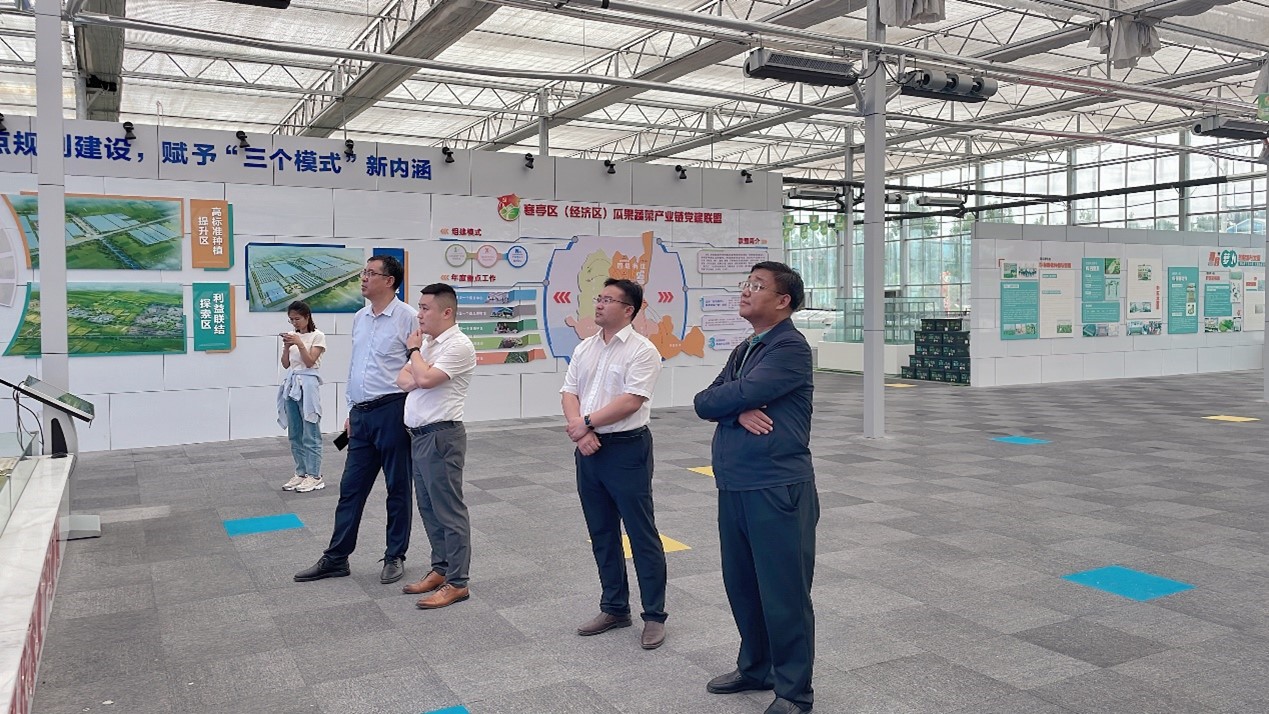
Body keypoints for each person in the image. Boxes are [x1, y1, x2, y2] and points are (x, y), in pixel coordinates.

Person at [693, 262, 818, 714]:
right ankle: (756, 667)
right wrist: (737, 410)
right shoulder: (747, 347)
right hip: (736, 485)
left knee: (784, 593)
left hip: (776, 487)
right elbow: (704, 401)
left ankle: (794, 693)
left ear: (783, 301)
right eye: (746, 283)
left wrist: (733, 400)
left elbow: (729, 395)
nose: (746, 291)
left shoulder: (790, 348)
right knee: (743, 585)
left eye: (757, 286)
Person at [295, 255, 416, 586]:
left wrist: (411, 414)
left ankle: (395, 555)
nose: (363, 278)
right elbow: (357, 366)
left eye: (370, 273)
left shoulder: (408, 317)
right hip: (361, 415)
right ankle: (336, 558)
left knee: (398, 488)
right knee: (350, 489)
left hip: (393, 411)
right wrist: (351, 409)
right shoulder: (360, 317)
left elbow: (418, 366)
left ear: (389, 281)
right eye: (364, 272)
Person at [561, 278, 668, 650]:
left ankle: (654, 615)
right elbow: (569, 392)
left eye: (609, 299)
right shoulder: (585, 347)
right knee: (602, 532)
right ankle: (614, 607)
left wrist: (587, 423)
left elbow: (632, 400)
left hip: (626, 449)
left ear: (628, 310)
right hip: (589, 449)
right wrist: (581, 431)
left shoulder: (642, 350)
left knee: (641, 533)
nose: (600, 304)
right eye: (599, 297)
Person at [397, 283, 478, 610]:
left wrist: (415, 354)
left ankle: (457, 582)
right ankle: (441, 568)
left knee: (448, 510)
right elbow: (403, 380)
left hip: (442, 436)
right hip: (419, 436)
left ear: (446, 312)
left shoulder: (458, 346)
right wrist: (420, 366)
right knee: (429, 507)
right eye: (419, 307)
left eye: (425, 308)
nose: (419, 315)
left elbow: (425, 379)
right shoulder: (429, 344)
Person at [277, 300, 326, 493]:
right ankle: (301, 472)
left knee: (310, 430)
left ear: (307, 317)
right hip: (292, 383)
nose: (294, 323)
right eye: (291, 319)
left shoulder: (318, 336)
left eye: (297, 318)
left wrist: (299, 344)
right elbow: (285, 364)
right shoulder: (293, 336)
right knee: (295, 432)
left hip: (308, 383)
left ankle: (315, 475)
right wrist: (287, 347)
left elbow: (310, 361)